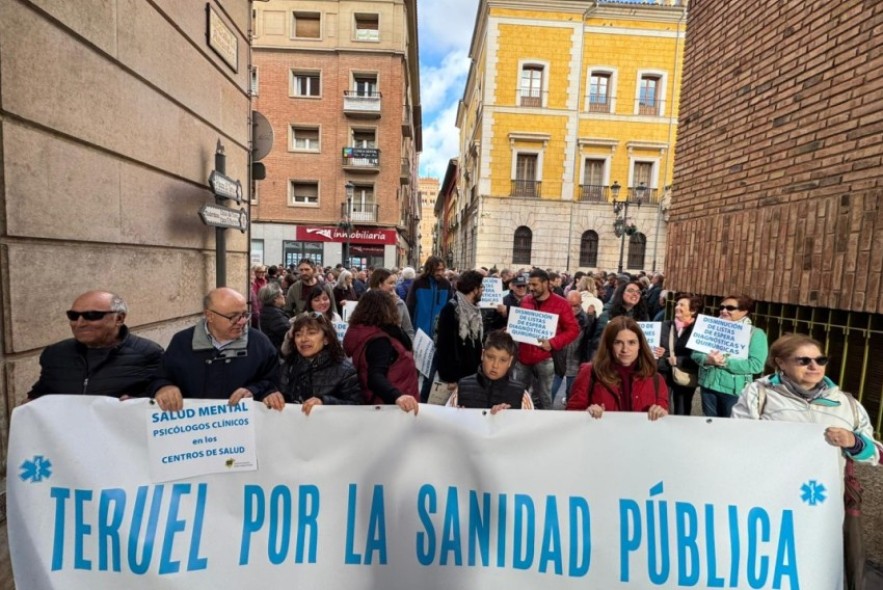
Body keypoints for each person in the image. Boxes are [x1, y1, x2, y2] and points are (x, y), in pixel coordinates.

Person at [732, 334, 882, 590]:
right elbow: (737, 438)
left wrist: (853, 442)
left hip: (823, 503)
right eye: (803, 360)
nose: (814, 366)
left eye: (820, 360)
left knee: (818, 564)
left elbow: (876, 454)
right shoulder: (760, 394)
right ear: (781, 363)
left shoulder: (846, 403)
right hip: (773, 498)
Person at [151, 288, 283, 411]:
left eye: (244, 314)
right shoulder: (182, 342)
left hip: (240, 427)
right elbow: (160, 377)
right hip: (194, 427)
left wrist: (254, 391)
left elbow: (274, 382)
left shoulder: (260, 343)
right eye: (233, 317)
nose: (242, 322)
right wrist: (163, 387)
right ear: (209, 316)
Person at [27, 291, 163, 400]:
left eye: (92, 315)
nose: (79, 323)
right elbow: (41, 393)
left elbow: (162, 393)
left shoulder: (148, 353)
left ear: (119, 318)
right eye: (73, 316)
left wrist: (136, 402)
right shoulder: (55, 353)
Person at [566, 316, 668, 420]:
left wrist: (661, 413)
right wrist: (587, 413)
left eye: (631, 342)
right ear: (609, 345)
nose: (625, 349)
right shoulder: (590, 372)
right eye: (618, 342)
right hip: (602, 435)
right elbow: (572, 413)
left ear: (640, 345)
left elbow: (663, 419)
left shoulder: (656, 379)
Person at [342, 290, 419, 413]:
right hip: (392, 407)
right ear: (388, 309)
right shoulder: (380, 341)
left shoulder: (365, 334)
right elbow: (375, 376)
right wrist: (397, 396)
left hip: (385, 403)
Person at [692, 294, 768, 418]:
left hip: (734, 391)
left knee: (730, 428)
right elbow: (695, 354)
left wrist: (724, 361)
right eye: (722, 307)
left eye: (730, 308)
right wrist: (707, 359)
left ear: (745, 311)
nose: (724, 311)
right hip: (708, 386)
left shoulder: (755, 334)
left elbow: (756, 365)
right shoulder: (710, 328)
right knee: (710, 425)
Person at [514, 269, 580, 410]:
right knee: (517, 392)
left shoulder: (561, 303)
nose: (531, 288)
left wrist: (553, 343)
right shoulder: (526, 300)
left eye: (535, 284)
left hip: (545, 357)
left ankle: (545, 424)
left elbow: (573, 330)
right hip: (523, 356)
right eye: (529, 284)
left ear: (546, 284)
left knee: (545, 396)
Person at [280, 312, 361, 414]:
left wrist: (324, 402)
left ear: (326, 339)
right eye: (298, 334)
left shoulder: (345, 371)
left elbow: (357, 407)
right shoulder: (287, 366)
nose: (303, 339)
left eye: (311, 333)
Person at [446, 330, 533, 413]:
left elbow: (530, 427)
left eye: (503, 360)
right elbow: (446, 423)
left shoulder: (521, 396)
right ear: (482, 355)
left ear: (510, 361)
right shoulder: (462, 388)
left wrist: (507, 419)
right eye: (490, 357)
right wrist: (457, 418)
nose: (495, 365)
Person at [406, 255, 453, 400]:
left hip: (436, 338)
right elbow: (410, 307)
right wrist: (411, 332)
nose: (440, 272)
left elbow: (450, 308)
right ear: (430, 269)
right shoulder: (418, 283)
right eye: (437, 269)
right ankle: (411, 399)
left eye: (442, 269)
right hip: (418, 336)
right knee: (413, 373)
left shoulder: (446, 284)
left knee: (430, 375)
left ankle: (423, 402)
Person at [435, 270, 484, 389]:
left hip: (471, 372)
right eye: (481, 287)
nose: (483, 290)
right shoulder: (451, 309)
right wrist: (449, 378)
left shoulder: (475, 309)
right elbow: (444, 346)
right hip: (456, 375)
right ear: (474, 289)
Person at [658, 293, 702, 415]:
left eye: (682, 305)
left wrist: (679, 360)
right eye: (677, 304)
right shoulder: (666, 325)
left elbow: (699, 356)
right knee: (661, 406)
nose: (677, 307)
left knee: (682, 409)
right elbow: (659, 347)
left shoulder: (699, 331)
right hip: (665, 372)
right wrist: (660, 352)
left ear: (693, 310)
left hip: (685, 374)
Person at [587, 279, 651, 361]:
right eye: (630, 291)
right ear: (621, 293)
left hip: (635, 362)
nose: (635, 294)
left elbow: (647, 341)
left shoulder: (644, 316)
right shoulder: (607, 315)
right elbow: (596, 341)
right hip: (611, 362)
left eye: (638, 292)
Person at [550, 291, 594, 408]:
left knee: (572, 394)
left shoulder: (586, 320)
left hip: (576, 362)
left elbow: (591, 339)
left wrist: (591, 319)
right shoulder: (556, 316)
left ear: (581, 303)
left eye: (576, 306)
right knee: (550, 392)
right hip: (558, 360)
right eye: (570, 305)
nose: (573, 309)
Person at [369, 268, 415, 339]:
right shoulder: (368, 303)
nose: (394, 286)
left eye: (394, 283)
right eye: (390, 283)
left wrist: (410, 346)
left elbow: (408, 330)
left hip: (395, 347)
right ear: (379, 284)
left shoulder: (399, 303)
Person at [258, 283, 290, 351]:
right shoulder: (274, 314)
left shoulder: (268, 311)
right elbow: (288, 332)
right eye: (282, 294)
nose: (284, 296)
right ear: (275, 298)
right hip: (279, 351)